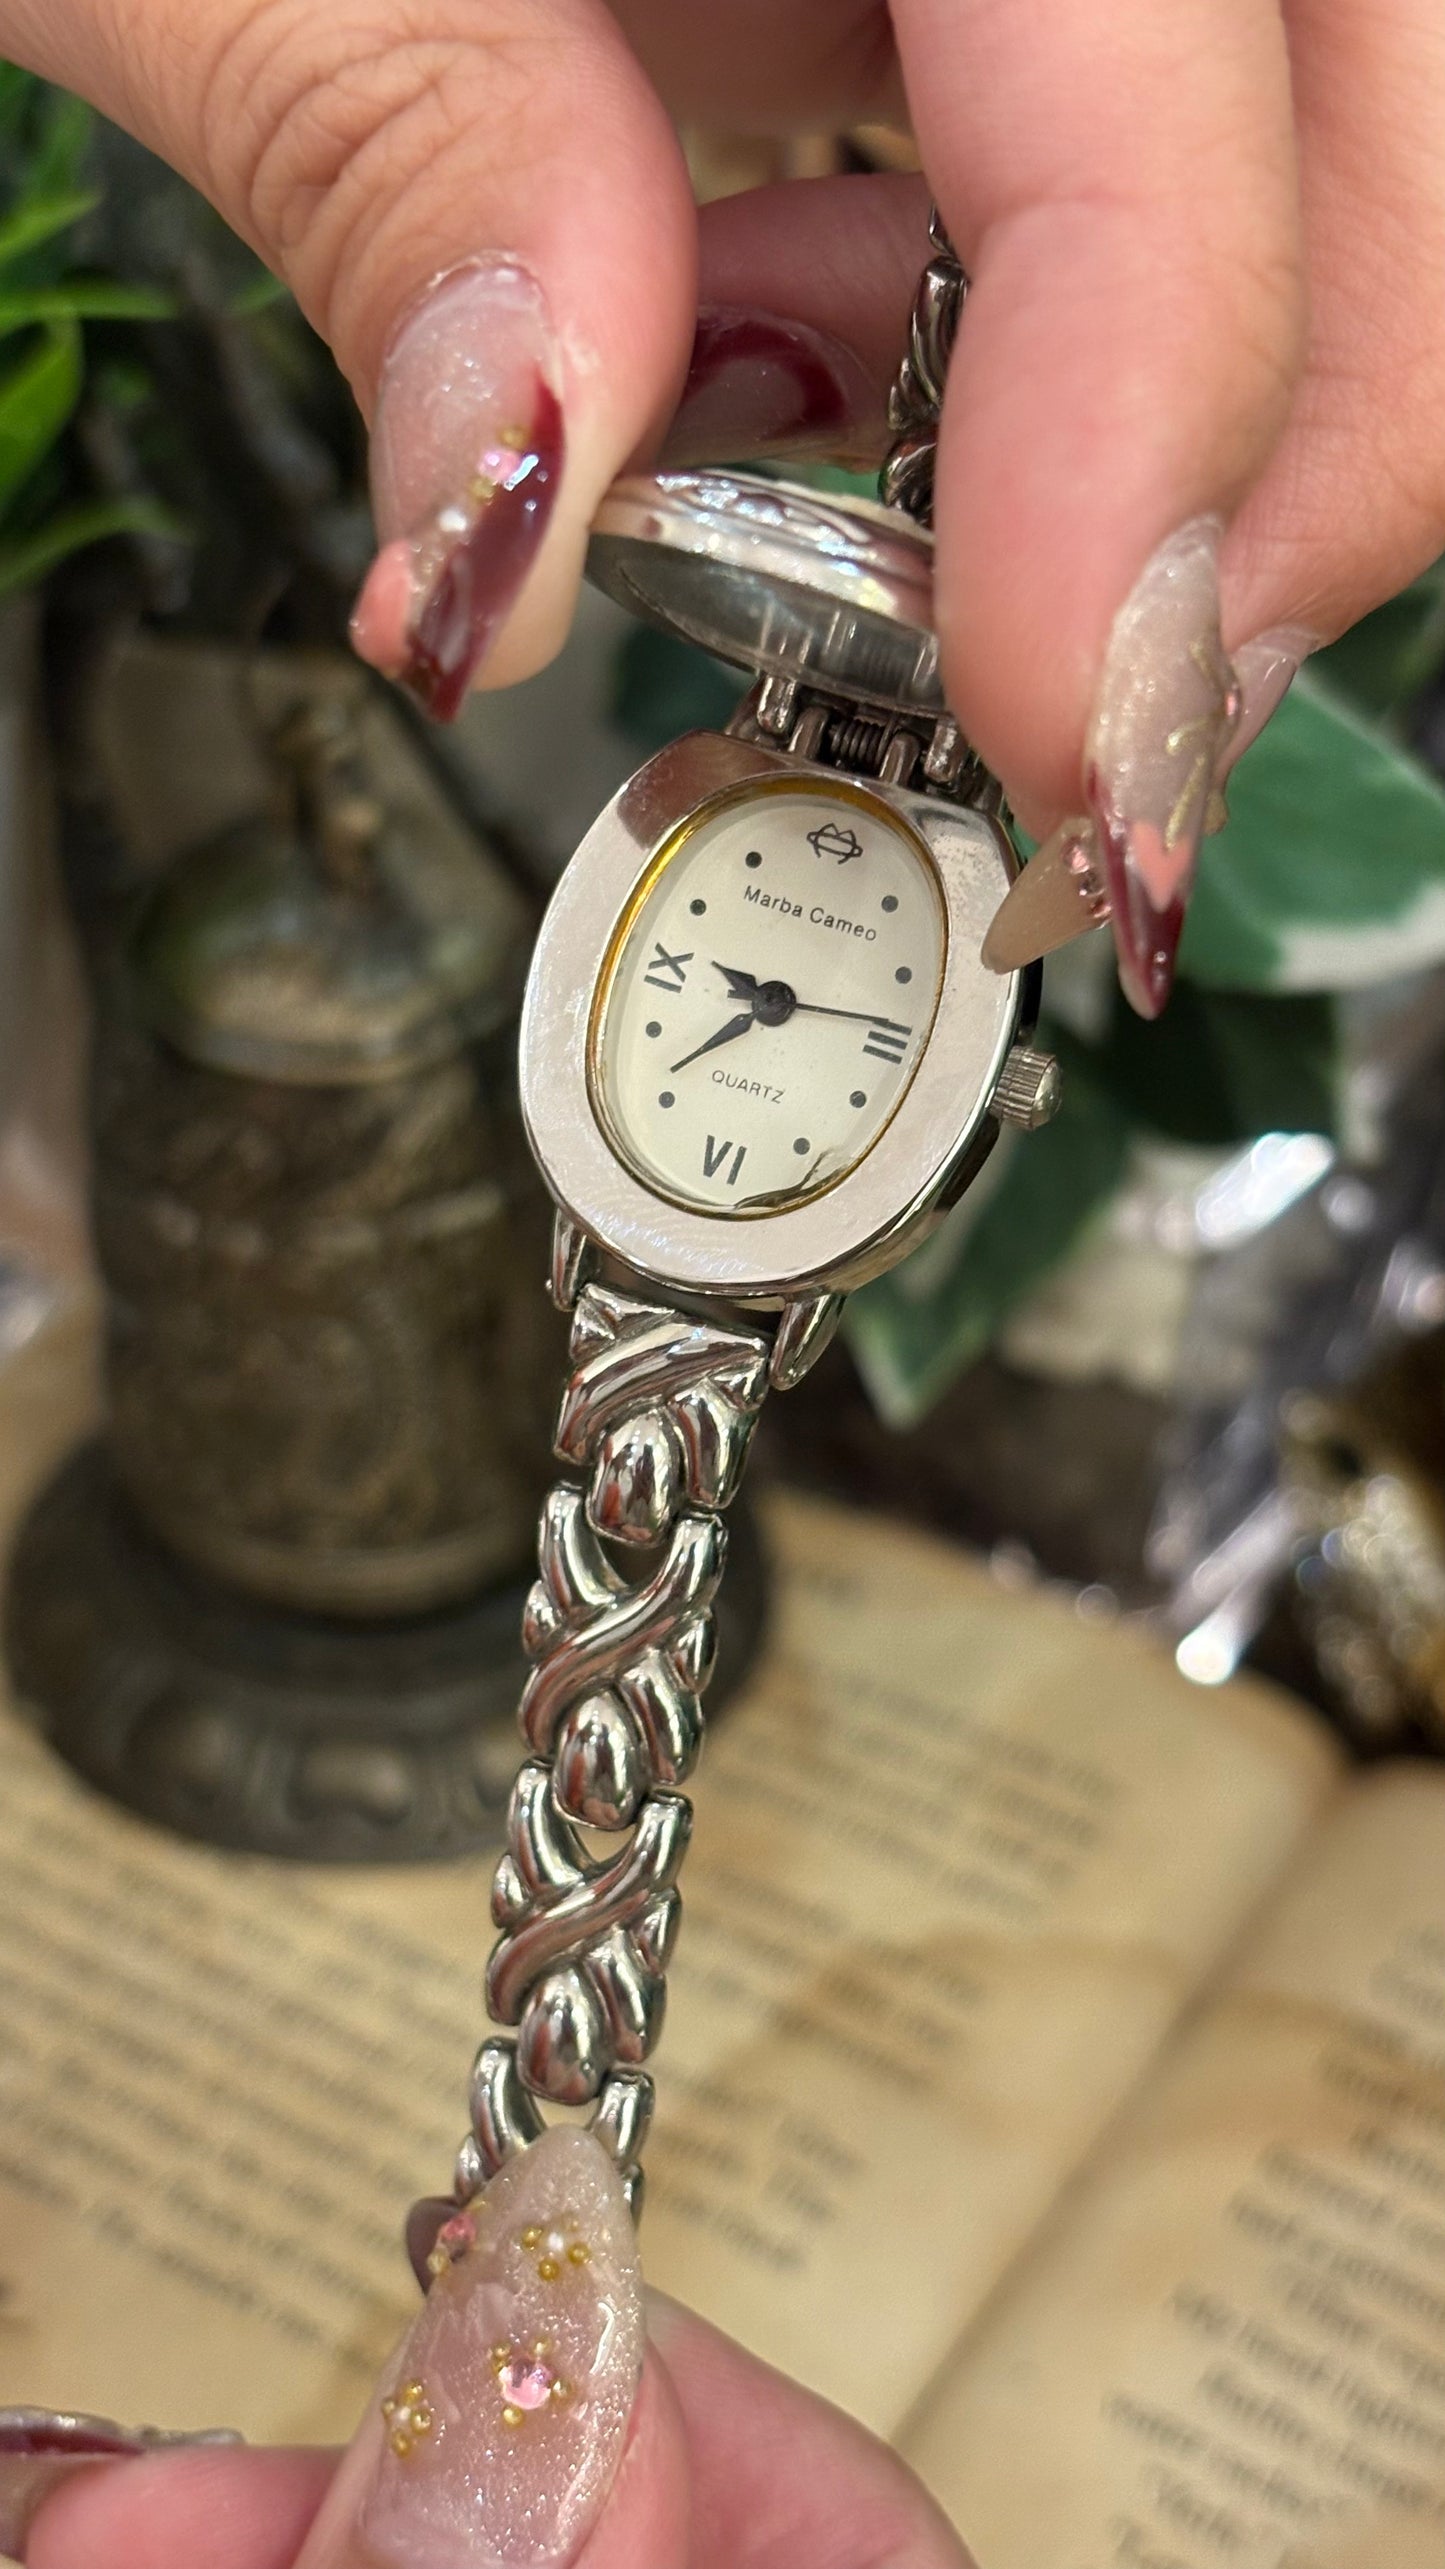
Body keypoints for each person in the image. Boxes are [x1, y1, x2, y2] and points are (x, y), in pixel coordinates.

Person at [1, 0, 1443, 2557]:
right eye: (749, 974)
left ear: (960, 1089)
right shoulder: (710, 879)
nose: (766, 995)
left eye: (807, 996)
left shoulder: (885, 1011)